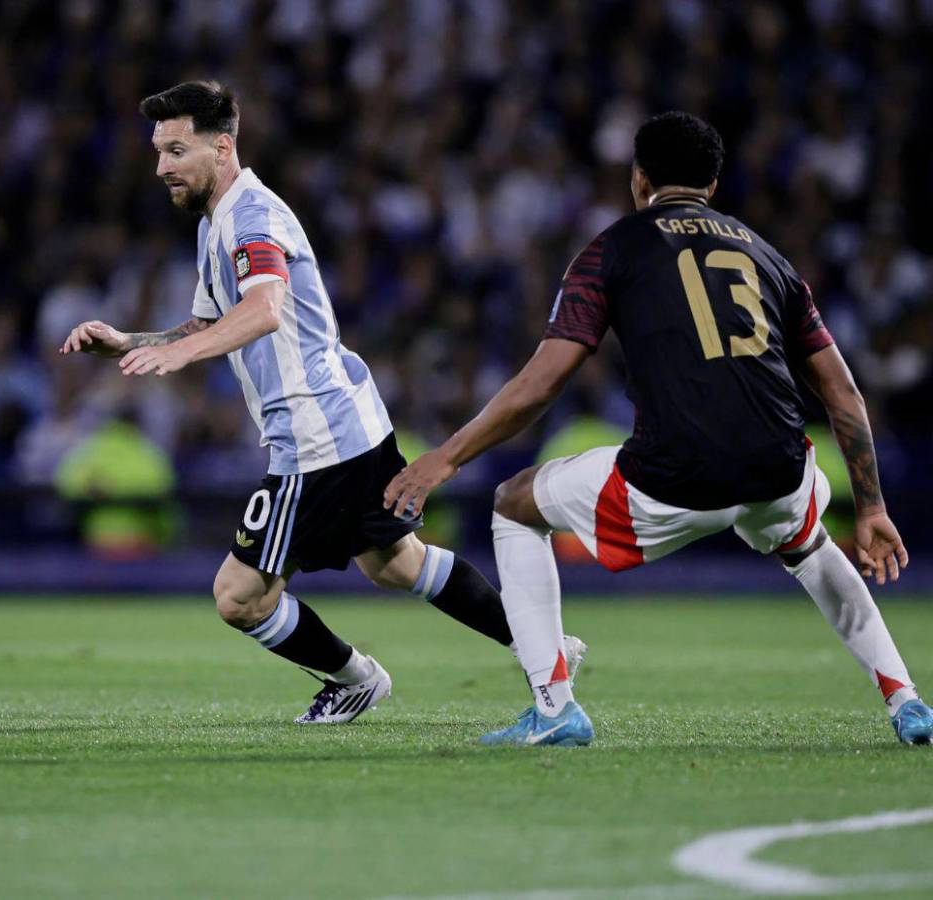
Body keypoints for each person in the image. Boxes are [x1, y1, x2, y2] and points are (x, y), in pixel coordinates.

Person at [385, 111, 931, 747]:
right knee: (808, 541)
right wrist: (871, 506)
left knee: (513, 505)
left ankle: (555, 706)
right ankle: (907, 702)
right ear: (715, 186)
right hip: (779, 465)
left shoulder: (611, 249)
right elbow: (842, 392)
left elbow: (541, 384)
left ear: (638, 179)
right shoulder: (767, 254)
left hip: (676, 475)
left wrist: (446, 458)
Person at [61, 81, 583, 723]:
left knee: (239, 597)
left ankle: (357, 679)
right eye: (158, 151)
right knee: (395, 562)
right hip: (350, 421)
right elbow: (205, 326)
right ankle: (544, 648)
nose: (161, 166)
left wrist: (180, 357)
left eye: (175, 150)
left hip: (314, 439)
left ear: (222, 147)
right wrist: (130, 343)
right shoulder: (216, 225)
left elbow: (263, 310)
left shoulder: (252, 218)